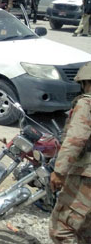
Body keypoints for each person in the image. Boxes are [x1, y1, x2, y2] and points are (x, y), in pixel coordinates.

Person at [48, 61, 91, 244]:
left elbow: (76, 138)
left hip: (85, 176)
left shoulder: (87, 103)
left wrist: (59, 171)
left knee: (63, 228)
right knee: (86, 231)